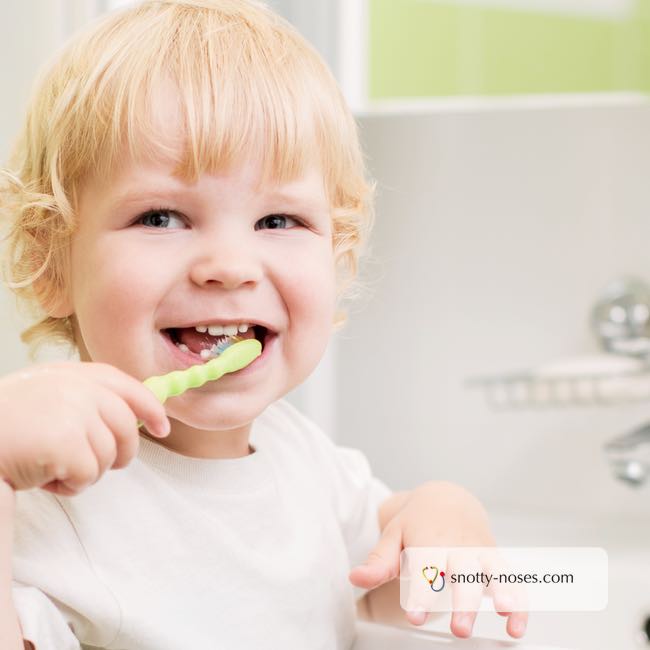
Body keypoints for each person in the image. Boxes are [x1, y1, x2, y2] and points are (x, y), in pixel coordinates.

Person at [0, 1, 527, 648]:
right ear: (46, 262)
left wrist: (444, 512)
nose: (229, 267)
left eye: (279, 221)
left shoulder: (306, 463)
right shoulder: (50, 506)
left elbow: (387, 593)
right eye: (162, 217)